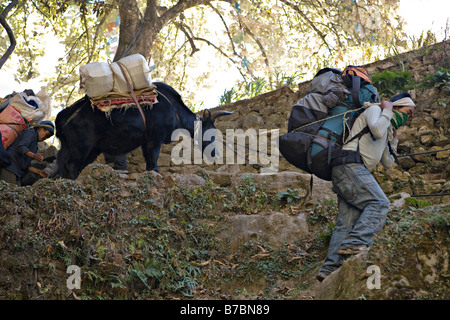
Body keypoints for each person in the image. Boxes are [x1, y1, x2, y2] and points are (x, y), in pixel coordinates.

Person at [316, 92, 416, 282]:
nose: (408, 118)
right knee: (380, 203)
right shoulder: (374, 110)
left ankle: (329, 269)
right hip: (349, 165)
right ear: (396, 106)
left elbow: (387, 162)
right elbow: (376, 130)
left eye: (411, 116)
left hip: (348, 171)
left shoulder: (386, 126)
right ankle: (357, 242)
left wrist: (393, 139)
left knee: (346, 222)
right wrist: (386, 111)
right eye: (407, 112)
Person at [0, 120, 55, 186]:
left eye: (48, 137)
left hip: (17, 172)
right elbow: (21, 147)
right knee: (7, 193)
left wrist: (39, 172)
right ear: (40, 128)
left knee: (15, 194)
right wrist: (34, 156)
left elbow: (26, 166)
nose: (45, 138)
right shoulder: (30, 133)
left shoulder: (35, 146)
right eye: (46, 135)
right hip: (10, 167)